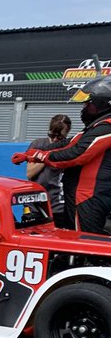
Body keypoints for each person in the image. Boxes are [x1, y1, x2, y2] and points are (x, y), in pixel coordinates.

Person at [12, 77, 111, 232]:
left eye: (88, 103)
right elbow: (69, 143)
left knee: (84, 243)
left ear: (101, 104)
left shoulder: (107, 127)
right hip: (79, 196)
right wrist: (31, 154)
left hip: (88, 197)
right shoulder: (96, 127)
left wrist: (41, 156)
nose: (84, 107)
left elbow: (77, 154)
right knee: (72, 238)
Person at [21, 114, 71, 226]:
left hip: (57, 205)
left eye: (59, 137)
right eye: (52, 135)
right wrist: (46, 156)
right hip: (35, 202)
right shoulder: (38, 144)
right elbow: (30, 173)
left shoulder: (68, 148)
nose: (54, 140)